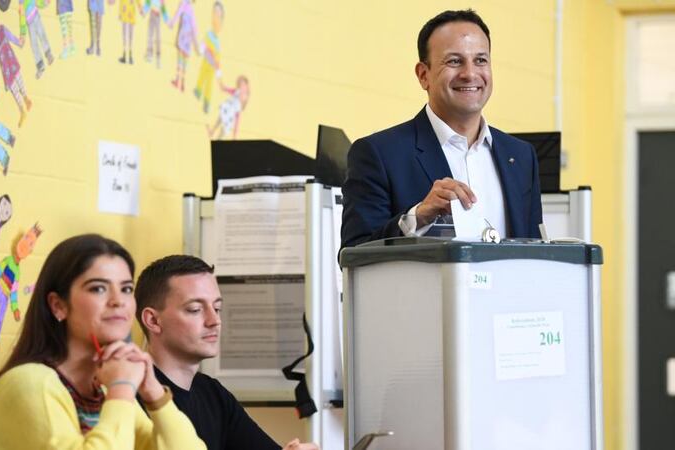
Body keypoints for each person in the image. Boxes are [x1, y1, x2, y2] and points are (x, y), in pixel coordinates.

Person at [0, 234, 206, 450]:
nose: (118, 301)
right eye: (99, 289)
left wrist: (154, 394)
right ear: (58, 305)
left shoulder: (104, 389)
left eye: (126, 289)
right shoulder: (30, 383)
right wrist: (121, 388)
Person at [341, 9, 542, 249]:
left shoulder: (520, 156)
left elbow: (534, 251)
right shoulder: (379, 154)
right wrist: (416, 218)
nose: (470, 74)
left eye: (481, 60)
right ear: (423, 75)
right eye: (454, 61)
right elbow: (353, 255)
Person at [135, 254, 319, 450]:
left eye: (217, 308)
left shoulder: (213, 393)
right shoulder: (130, 397)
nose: (214, 320)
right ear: (153, 321)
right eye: (195, 309)